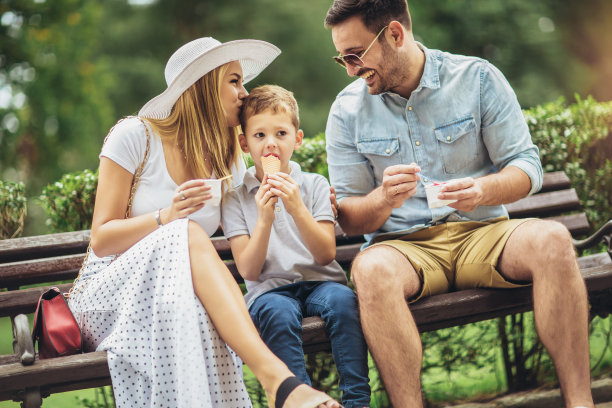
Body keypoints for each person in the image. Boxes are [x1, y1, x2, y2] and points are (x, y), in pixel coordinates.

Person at [322, 1, 594, 407]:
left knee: (554, 239)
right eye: (341, 57)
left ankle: (581, 403)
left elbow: (526, 166)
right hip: (406, 250)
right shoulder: (346, 110)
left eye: (355, 55)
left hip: (485, 235)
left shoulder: (477, 78)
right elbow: (350, 219)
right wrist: (382, 198)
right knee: (370, 268)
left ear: (395, 34)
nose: (349, 69)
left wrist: (483, 191)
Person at [68, 37, 341, 408]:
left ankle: (279, 386)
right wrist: (166, 217)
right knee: (186, 231)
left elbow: (257, 214)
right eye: (234, 81)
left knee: (197, 309)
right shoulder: (134, 136)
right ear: (203, 86)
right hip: (109, 299)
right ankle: (277, 380)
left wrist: (312, 201)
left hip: (174, 295)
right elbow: (101, 239)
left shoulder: (227, 156)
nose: (244, 94)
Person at [221, 84, 371, 408]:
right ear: (244, 143)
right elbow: (248, 269)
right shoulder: (234, 198)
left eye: (280, 133)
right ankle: (300, 400)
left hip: (320, 282)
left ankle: (357, 402)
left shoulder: (314, 185)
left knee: (344, 302)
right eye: (259, 135)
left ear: (297, 139)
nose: (271, 143)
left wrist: (296, 208)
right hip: (269, 291)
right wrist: (263, 218)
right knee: (276, 313)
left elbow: (325, 254)